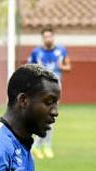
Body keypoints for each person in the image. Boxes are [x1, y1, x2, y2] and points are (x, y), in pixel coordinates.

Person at [28, 27, 71, 159]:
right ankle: (35, 146)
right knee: (40, 116)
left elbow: (68, 67)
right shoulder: (36, 52)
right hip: (41, 88)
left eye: (50, 36)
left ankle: (46, 145)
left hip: (56, 88)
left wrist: (61, 66)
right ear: (42, 38)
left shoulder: (61, 51)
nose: (48, 39)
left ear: (53, 37)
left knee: (51, 118)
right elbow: (29, 69)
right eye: (45, 37)